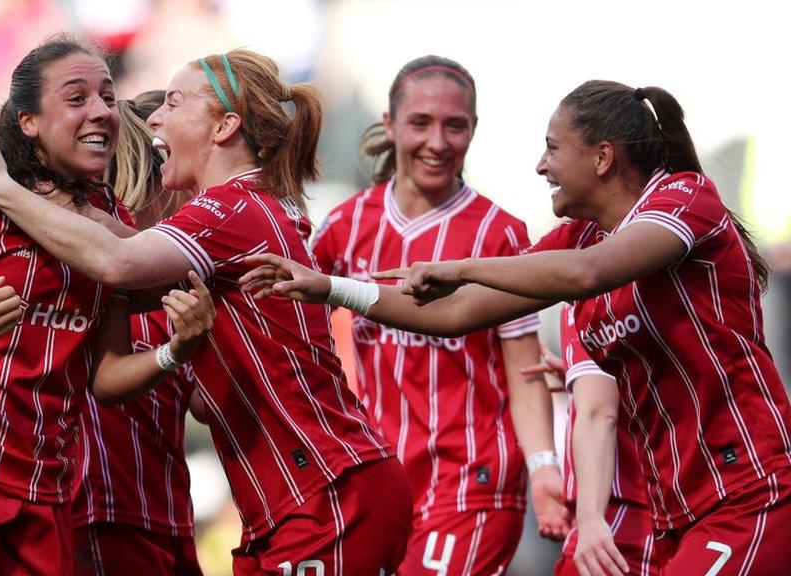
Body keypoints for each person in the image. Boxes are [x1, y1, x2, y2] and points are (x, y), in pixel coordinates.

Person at [239, 80, 791, 575]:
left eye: (552, 147)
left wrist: (460, 266)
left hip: (749, 489)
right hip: (676, 508)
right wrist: (333, 289)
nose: (540, 166)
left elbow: (585, 277)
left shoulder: (682, 198)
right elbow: (453, 314)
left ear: (602, 158)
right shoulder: (580, 238)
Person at [0, 48, 413, 575]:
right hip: (296, 500)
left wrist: (2, 189)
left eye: (172, 103)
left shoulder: (230, 208)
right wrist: (65, 196)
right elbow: (125, 245)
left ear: (224, 127)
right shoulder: (246, 207)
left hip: (325, 493)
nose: (153, 118)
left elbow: (117, 261)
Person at [0, 36, 214, 576]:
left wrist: (176, 351)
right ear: (28, 121)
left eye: (107, 95)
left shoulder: (104, 215)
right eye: (77, 98)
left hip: (47, 491)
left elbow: (105, 375)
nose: (102, 110)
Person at [311, 55, 568, 575]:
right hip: (382, 479)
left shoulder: (500, 233)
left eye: (456, 125)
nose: (438, 142)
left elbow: (524, 370)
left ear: (474, 129)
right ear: (389, 125)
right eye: (421, 123)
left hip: (473, 479)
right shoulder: (343, 226)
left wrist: (543, 468)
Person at [73, 90, 203, 576]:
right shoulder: (94, 278)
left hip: (166, 513)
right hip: (101, 513)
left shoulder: (174, 282)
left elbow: (205, 406)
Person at [521, 304, 659, 576]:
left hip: (620, 521)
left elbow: (599, 413)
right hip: (626, 517)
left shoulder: (595, 294)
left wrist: (590, 518)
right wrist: (580, 377)